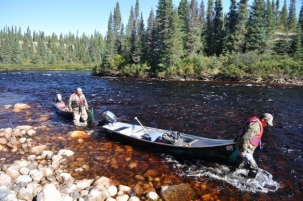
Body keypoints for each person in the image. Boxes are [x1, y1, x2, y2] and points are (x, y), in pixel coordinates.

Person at [234, 113, 274, 178]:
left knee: (239, 164)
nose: (267, 125)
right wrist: (243, 151)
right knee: (254, 169)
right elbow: (245, 138)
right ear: (263, 119)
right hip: (245, 149)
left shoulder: (256, 123)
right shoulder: (255, 126)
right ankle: (248, 184)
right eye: (267, 123)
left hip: (243, 147)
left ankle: (231, 175)